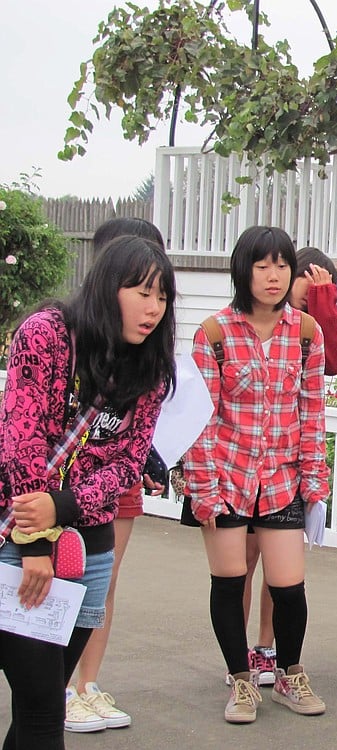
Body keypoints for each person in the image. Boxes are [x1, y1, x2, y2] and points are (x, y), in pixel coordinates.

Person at [0, 236, 176, 749]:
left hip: (90, 550)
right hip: (22, 544)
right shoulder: (48, 336)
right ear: (106, 287)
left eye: (161, 297)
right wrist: (36, 544)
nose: (152, 308)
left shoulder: (149, 365)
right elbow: (20, 442)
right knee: (41, 711)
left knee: (41, 703)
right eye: (141, 292)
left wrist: (66, 504)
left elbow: (127, 462)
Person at [181, 226, 329, 723]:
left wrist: (314, 480)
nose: (273, 276)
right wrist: (202, 489)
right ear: (243, 270)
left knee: (289, 585)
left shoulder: (306, 332)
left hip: (283, 479)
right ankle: (241, 681)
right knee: (229, 581)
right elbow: (200, 419)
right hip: (225, 478)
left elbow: (312, 412)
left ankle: (289, 673)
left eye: (282, 265)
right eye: (262, 265)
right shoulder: (214, 333)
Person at [66, 217, 169, 732]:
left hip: (111, 490)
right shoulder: (63, 336)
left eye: (159, 287)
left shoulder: (149, 354)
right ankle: (57, 687)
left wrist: (148, 457)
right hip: (46, 495)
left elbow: (142, 427)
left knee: (99, 585)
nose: (151, 300)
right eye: (137, 282)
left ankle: (85, 684)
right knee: (48, 580)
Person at [242, 247, 337, 686]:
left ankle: (267, 646)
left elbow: (334, 362)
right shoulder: (256, 319)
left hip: (288, 465)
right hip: (244, 463)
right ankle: (238, 652)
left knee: (280, 572)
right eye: (311, 287)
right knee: (241, 567)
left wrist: (323, 301)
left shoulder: (307, 328)